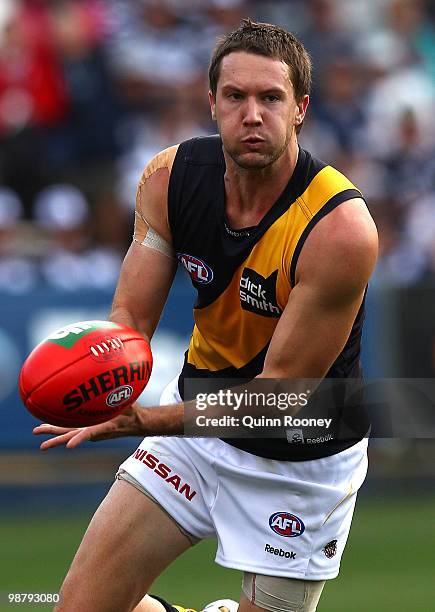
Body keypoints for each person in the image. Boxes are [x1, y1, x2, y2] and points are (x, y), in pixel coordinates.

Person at [34, 19, 378, 612]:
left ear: (300, 109)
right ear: (210, 102)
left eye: (271, 98)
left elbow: (278, 397)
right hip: (196, 432)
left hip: (301, 459)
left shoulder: (340, 230)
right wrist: (101, 386)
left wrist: (147, 420)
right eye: (235, 96)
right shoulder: (168, 180)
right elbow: (129, 320)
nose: (252, 114)